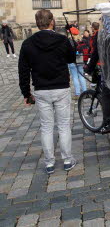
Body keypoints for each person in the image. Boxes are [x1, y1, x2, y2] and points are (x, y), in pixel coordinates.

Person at [18, 9, 77, 174]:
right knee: (64, 126)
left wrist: (26, 94)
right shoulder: (62, 40)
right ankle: (67, 160)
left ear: (37, 23)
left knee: (46, 127)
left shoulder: (28, 43)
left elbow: (23, 71)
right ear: (52, 22)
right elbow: (72, 58)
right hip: (60, 87)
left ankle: (50, 163)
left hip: (42, 89)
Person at [68, 27, 87, 100]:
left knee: (75, 77)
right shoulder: (81, 40)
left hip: (72, 60)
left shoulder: (70, 41)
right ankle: (85, 92)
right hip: (80, 59)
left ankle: (78, 93)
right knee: (81, 76)